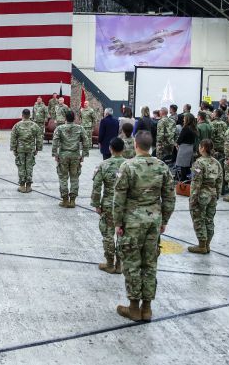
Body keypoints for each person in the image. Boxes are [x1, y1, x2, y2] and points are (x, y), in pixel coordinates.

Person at [113, 131, 174, 322]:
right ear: (151, 145)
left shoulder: (128, 166)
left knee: (132, 263)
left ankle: (133, 307)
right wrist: (164, 220)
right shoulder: (162, 167)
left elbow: (119, 197)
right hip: (153, 221)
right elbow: (170, 196)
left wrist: (117, 222)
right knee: (150, 264)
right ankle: (147, 308)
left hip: (132, 222)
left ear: (136, 144)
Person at [92, 137, 126, 274]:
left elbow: (96, 186)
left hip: (108, 205)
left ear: (110, 149)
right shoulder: (129, 165)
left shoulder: (103, 165)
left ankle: (110, 263)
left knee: (108, 234)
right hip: (125, 206)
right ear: (123, 149)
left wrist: (96, 204)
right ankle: (120, 265)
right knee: (123, 235)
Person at [188, 139, 222, 254]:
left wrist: (193, 197)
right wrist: (217, 194)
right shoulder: (216, 163)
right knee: (209, 219)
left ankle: (202, 245)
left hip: (202, 194)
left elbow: (196, 182)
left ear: (202, 148)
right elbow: (219, 180)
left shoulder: (198, 163)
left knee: (198, 218)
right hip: (212, 194)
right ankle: (207, 245)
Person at [52, 110, 90, 208]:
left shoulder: (59, 128)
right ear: (74, 118)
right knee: (74, 178)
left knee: (63, 177)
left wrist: (55, 154)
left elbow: (55, 141)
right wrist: (83, 155)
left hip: (63, 155)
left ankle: (65, 200)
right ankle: (72, 200)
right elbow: (86, 142)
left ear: (65, 118)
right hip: (75, 156)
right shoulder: (80, 128)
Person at [10, 109, 42, 193]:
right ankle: (28, 186)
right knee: (29, 167)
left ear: (22, 115)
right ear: (30, 115)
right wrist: (38, 148)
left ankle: (21, 185)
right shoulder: (34, 125)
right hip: (30, 149)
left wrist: (13, 148)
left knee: (21, 166)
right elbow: (39, 137)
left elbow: (13, 137)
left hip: (20, 149)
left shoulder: (17, 125)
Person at [175, 113, 197, 181]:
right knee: (189, 167)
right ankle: (188, 182)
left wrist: (175, 144)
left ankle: (183, 183)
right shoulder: (194, 128)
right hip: (190, 148)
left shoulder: (185, 128)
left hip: (184, 149)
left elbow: (179, 140)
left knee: (183, 167)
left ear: (187, 119)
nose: (183, 119)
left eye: (184, 118)